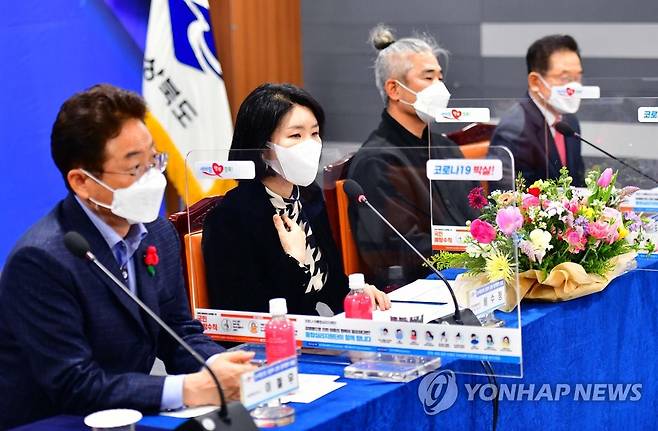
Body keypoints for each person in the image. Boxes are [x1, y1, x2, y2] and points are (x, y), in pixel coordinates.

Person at [0, 84, 255, 429]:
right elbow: (75, 384)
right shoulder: (41, 260)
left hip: (128, 413)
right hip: (52, 421)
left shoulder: (158, 232)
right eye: (135, 167)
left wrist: (220, 368)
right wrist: (189, 388)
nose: (153, 178)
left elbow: (178, 331)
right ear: (81, 182)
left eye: (155, 160)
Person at [202, 83, 390, 316]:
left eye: (314, 133)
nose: (310, 145)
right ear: (263, 149)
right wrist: (294, 261)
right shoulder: (230, 218)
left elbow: (329, 282)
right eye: (295, 135)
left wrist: (356, 292)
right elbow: (249, 311)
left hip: (325, 326)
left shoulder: (309, 196)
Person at [347, 25, 478, 286]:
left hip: (471, 275)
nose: (440, 88)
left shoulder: (446, 148)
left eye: (440, 78)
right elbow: (401, 251)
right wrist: (474, 254)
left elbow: (476, 213)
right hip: (424, 286)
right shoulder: (377, 162)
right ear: (394, 90)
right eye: (428, 78)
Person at [490, 34, 586, 188]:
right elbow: (504, 193)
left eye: (577, 78)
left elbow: (578, 182)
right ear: (535, 82)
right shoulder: (514, 129)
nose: (574, 87)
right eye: (565, 78)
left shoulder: (570, 122)